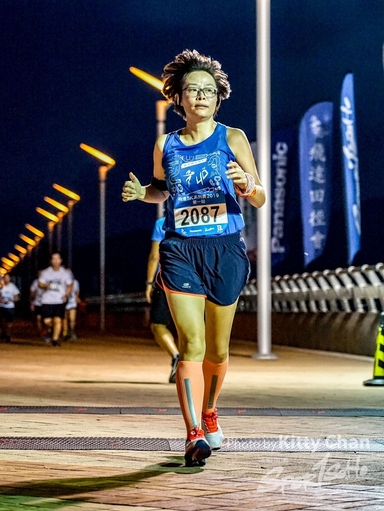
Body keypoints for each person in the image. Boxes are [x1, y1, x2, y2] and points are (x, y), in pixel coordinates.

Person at [122, 49, 265, 467]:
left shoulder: (233, 138)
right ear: (179, 98)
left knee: (217, 350)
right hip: (180, 249)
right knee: (192, 344)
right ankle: (193, 434)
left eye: (208, 90)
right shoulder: (165, 144)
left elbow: (259, 196)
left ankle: (210, 411)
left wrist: (246, 183)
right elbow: (161, 190)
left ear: (218, 98)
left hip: (225, 249)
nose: (200, 96)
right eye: (192, 89)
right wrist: (142, 193)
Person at [146, 216, 179, 383]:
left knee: (158, 324)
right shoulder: (201, 218)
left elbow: (154, 256)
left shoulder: (162, 223)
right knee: (190, 327)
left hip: (166, 280)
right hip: (195, 281)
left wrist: (149, 283)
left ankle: (176, 356)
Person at [38, 252, 73, 347]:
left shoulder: (65, 273)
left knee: (58, 320)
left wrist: (66, 294)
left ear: (61, 260)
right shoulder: (46, 272)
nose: (56, 261)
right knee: (47, 321)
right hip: (47, 300)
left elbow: (70, 285)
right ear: (51, 261)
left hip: (59, 300)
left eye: (58, 259)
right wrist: (45, 286)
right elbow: (40, 284)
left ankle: (55, 339)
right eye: (54, 259)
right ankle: (51, 329)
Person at [0, 273, 20, 342]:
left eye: (8, 278)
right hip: (2, 306)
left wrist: (11, 300)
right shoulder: (1, 286)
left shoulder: (13, 287)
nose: (6, 279)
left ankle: (8, 335)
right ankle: (3, 332)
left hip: (10, 307)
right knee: (1, 321)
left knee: (9, 322)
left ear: (10, 279)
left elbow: (17, 296)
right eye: (5, 278)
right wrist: (0, 299)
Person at [30, 272, 44, 336]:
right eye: (40, 274)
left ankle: (46, 330)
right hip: (38, 303)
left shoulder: (48, 281)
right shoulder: (35, 282)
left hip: (47, 303)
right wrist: (31, 300)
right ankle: (40, 331)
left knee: (46, 320)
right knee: (38, 318)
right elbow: (32, 291)